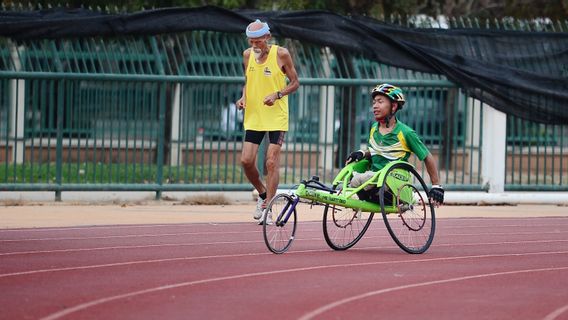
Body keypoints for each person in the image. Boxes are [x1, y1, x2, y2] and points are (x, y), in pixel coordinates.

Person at [236, 19, 300, 224]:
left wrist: (277, 94)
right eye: (251, 41)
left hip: (276, 117)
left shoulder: (281, 54)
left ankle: (269, 208)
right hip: (254, 116)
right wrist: (244, 97)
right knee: (246, 161)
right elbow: (249, 81)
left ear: (267, 37)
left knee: (271, 161)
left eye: (258, 41)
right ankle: (263, 195)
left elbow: (295, 82)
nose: (255, 46)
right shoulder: (247, 55)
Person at [345, 83, 445, 206]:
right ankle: (369, 196)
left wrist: (436, 185)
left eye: (380, 102)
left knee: (359, 179)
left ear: (393, 106)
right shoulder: (373, 129)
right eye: (374, 102)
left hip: (394, 183)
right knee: (349, 175)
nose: (375, 106)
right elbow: (378, 151)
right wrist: (362, 153)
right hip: (373, 180)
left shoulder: (406, 133)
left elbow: (427, 156)